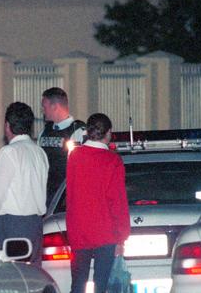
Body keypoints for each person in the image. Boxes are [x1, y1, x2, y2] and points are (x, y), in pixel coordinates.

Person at [66, 113, 130, 293]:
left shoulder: (74, 157)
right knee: (101, 285)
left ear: (87, 132)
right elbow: (117, 201)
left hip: (79, 231)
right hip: (105, 232)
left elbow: (71, 194)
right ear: (108, 133)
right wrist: (122, 235)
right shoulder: (112, 160)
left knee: (78, 284)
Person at [0, 102, 49, 264]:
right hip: (35, 224)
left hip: (11, 224)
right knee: (32, 276)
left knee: (10, 277)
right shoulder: (39, 152)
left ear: (7, 126)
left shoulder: (9, 152)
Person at [38, 87, 85, 205]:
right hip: (46, 196)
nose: (43, 111)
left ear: (55, 106)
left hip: (67, 198)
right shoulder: (44, 132)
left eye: (44, 107)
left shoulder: (78, 131)